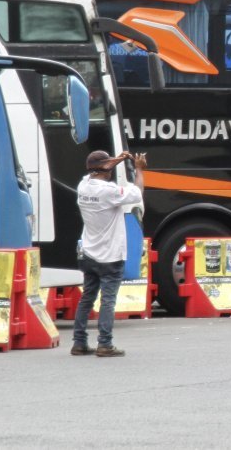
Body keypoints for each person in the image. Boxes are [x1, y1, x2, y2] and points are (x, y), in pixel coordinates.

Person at [72, 150, 146, 357]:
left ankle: (79, 342)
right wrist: (138, 168)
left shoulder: (83, 186)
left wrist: (119, 159)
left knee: (87, 297)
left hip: (88, 253)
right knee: (108, 300)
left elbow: (99, 167)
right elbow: (138, 192)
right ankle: (105, 343)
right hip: (110, 256)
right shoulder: (109, 191)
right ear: (105, 168)